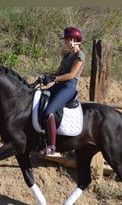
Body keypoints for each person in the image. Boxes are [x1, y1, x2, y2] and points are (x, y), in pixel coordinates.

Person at [39, 26, 86, 156]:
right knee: (40, 98)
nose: (65, 41)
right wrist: (46, 77)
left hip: (68, 87)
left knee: (49, 112)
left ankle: (52, 146)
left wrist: (55, 78)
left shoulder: (79, 55)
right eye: (65, 39)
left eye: (67, 39)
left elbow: (71, 75)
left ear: (75, 40)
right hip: (59, 85)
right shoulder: (66, 55)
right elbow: (58, 72)